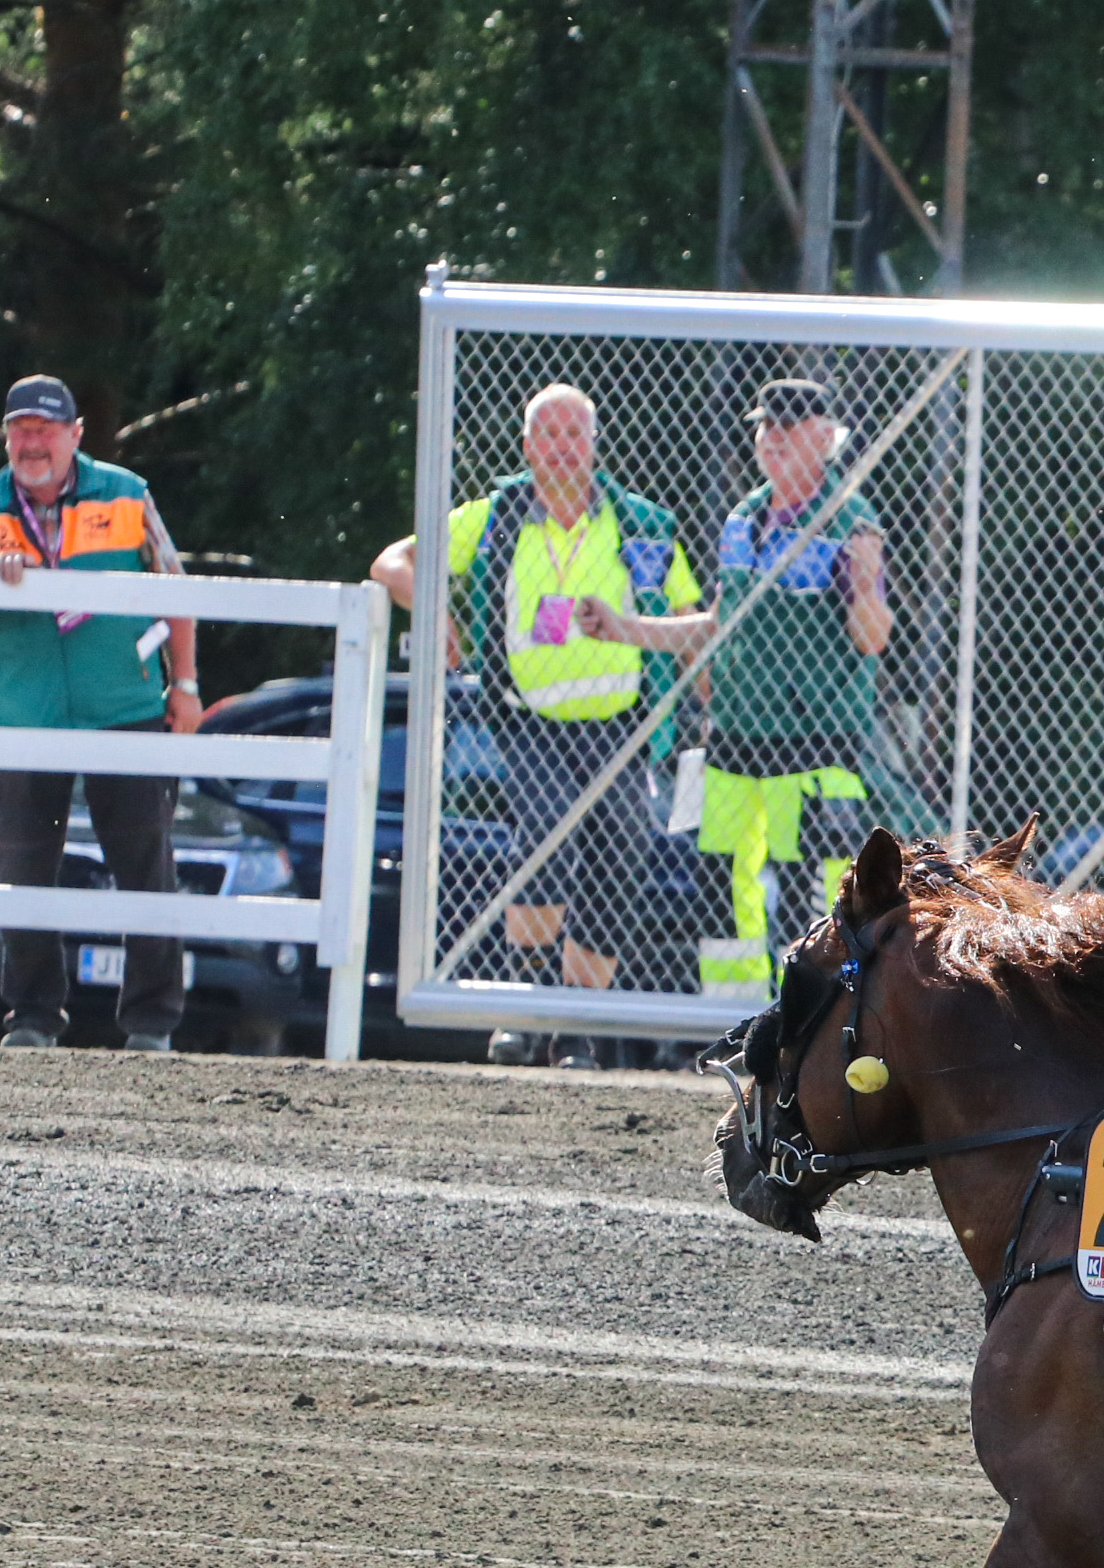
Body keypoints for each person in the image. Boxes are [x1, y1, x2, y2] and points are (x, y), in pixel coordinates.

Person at [373, 382, 704, 1065]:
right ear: (526, 447)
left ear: (594, 443)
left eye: (573, 434)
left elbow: (691, 616)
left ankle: (574, 1030)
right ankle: (524, 1009)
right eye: (547, 435)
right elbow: (392, 564)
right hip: (531, 721)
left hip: (621, 722)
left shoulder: (641, 523)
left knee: (621, 850)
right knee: (548, 830)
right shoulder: (495, 515)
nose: (561, 447)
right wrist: (440, 614)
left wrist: (697, 681)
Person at [0, 375, 197, 1052]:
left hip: (125, 705)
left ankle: (151, 1023)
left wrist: (186, 684)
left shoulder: (127, 494)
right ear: (5, 436)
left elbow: (177, 589)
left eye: (45, 429)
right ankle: (33, 1016)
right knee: (23, 867)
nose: (31, 442)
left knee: (145, 862)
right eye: (19, 429)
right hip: (28, 714)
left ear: (75, 435)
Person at [605, 380, 890, 1002]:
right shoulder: (742, 518)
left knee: (819, 899)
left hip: (813, 748)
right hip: (733, 740)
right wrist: (625, 628)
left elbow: (872, 638)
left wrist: (865, 588)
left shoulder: (851, 522)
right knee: (723, 892)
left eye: (790, 426)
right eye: (766, 426)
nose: (773, 438)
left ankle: (821, 1024)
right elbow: (718, 623)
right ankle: (731, 1025)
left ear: (824, 437)